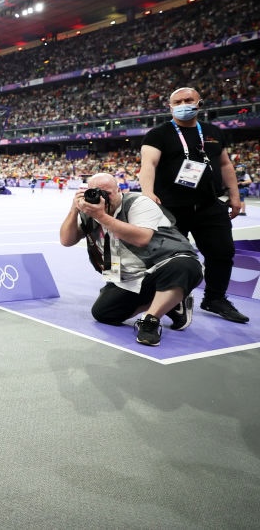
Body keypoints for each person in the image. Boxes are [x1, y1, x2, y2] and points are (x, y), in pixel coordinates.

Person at [139, 87, 249, 323]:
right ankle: (169, 301)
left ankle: (214, 298)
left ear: (199, 103)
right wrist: (148, 193)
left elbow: (225, 165)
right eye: (177, 101)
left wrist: (235, 195)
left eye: (188, 100)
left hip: (209, 204)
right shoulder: (158, 134)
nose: (183, 104)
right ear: (170, 107)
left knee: (222, 253)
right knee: (171, 258)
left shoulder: (213, 132)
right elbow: (148, 164)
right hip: (171, 207)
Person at [60, 173, 203, 346]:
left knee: (185, 266)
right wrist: (73, 210)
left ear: (119, 190)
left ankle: (150, 321)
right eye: (96, 192)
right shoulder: (89, 213)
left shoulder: (139, 203)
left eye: (107, 192)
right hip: (128, 276)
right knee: (103, 313)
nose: (102, 197)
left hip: (162, 264)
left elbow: (141, 238)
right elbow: (66, 241)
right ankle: (173, 303)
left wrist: (101, 216)